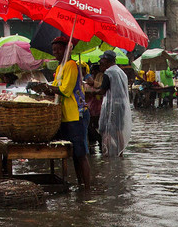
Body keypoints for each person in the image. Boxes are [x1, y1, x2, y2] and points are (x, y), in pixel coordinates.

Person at [33, 36, 90, 188]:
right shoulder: (59, 68)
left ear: (67, 50)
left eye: (59, 49)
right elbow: (56, 91)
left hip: (76, 114)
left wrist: (47, 87)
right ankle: (80, 185)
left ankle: (87, 188)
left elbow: (65, 90)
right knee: (74, 155)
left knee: (81, 154)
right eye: (54, 50)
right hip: (65, 115)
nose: (56, 52)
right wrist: (44, 89)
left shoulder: (71, 65)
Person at [97, 50, 131, 157]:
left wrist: (91, 91)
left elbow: (102, 91)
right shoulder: (121, 72)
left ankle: (106, 153)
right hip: (121, 105)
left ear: (106, 60)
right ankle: (120, 153)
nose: (100, 62)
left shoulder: (109, 72)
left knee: (106, 128)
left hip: (111, 105)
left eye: (102, 60)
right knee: (118, 129)